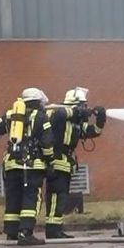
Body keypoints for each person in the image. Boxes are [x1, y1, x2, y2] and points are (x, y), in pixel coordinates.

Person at [0, 88, 54, 245]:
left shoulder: (11, 115)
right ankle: (25, 233)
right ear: (38, 102)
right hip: (32, 166)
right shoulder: (41, 117)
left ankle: (11, 233)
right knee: (31, 198)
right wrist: (50, 161)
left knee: (13, 198)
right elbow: (47, 143)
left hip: (11, 165)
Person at [44, 87, 106, 239]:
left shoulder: (75, 122)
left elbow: (94, 131)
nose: (85, 108)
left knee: (62, 196)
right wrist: (81, 112)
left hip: (66, 164)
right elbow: (62, 114)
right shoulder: (58, 114)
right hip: (55, 162)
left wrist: (100, 118)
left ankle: (57, 228)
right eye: (82, 105)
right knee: (55, 196)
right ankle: (52, 230)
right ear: (73, 105)